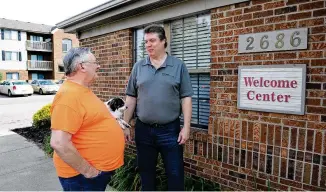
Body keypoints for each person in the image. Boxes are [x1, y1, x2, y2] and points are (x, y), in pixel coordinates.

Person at [123, 24, 193, 191]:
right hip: (143, 130)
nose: (148, 45)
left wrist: (187, 127)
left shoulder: (178, 66)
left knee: (175, 174)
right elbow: (131, 98)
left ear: (163, 41)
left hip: (171, 131)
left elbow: (186, 98)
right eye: (146, 41)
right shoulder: (138, 67)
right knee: (146, 174)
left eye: (152, 40)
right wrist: (125, 124)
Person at [50, 47, 125, 191]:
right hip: (82, 177)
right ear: (82, 66)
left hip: (90, 175)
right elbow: (59, 143)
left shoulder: (82, 91)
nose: (98, 66)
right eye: (95, 62)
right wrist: (89, 172)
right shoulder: (69, 96)